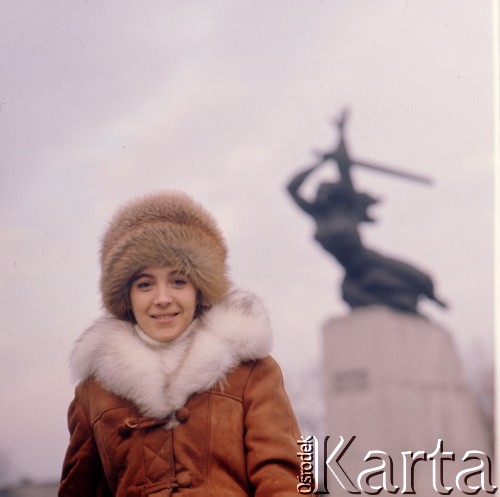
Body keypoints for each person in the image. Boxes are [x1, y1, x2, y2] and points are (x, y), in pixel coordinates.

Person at [58, 191, 303, 497]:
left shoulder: (252, 372)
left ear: (199, 290)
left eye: (178, 281)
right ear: (126, 297)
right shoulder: (92, 393)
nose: (163, 299)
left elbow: (287, 481)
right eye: (145, 284)